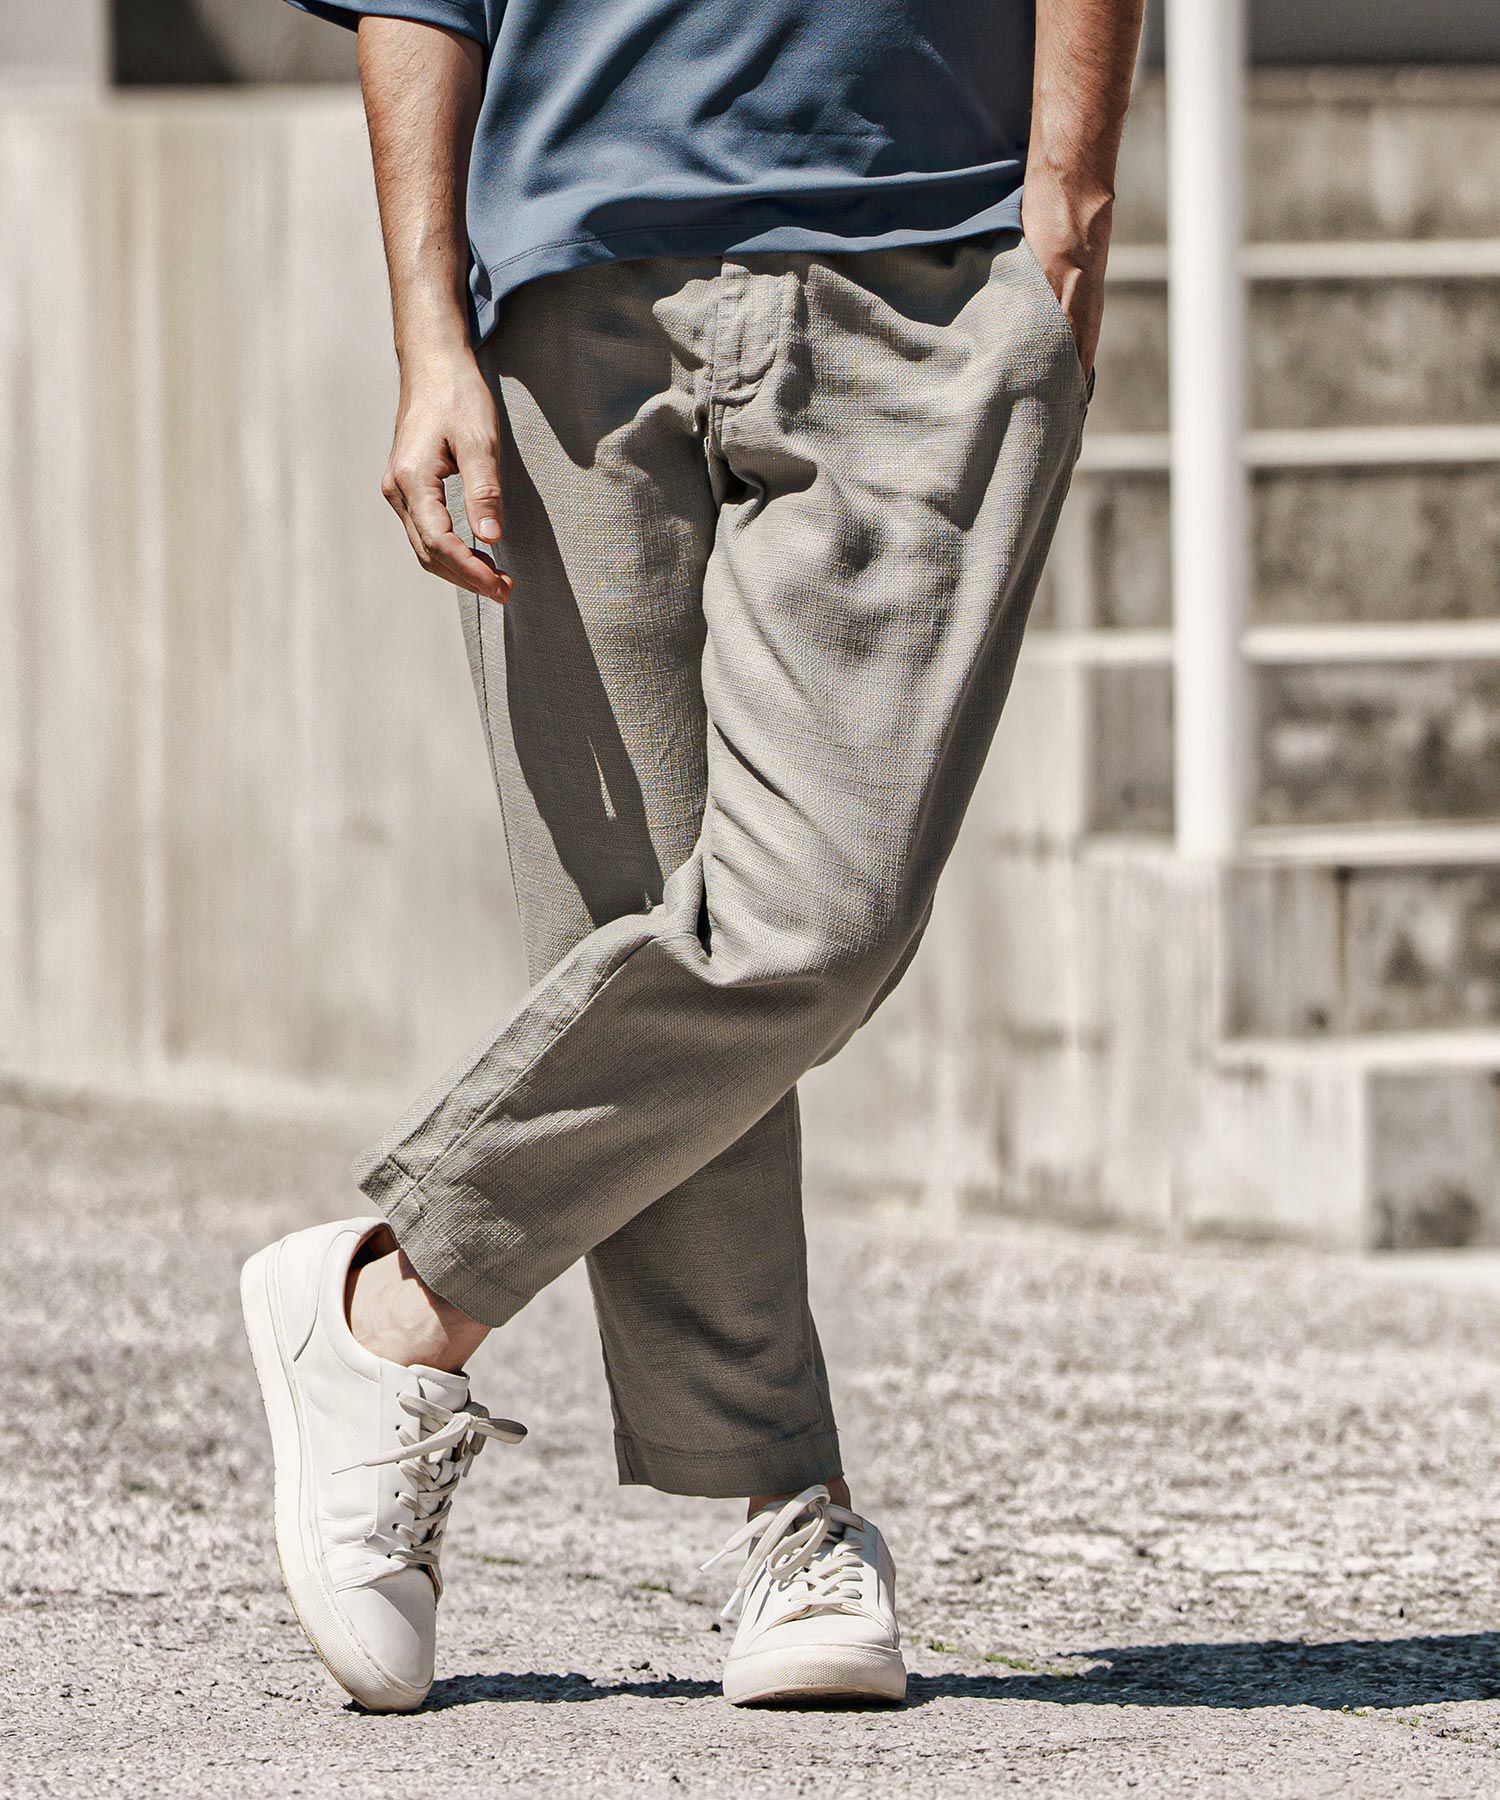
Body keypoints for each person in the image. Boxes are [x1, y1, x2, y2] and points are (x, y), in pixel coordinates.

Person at [242, 0, 1143, 1712]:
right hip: (569, 280)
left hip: (928, 258)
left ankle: (396, 1305)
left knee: (821, 918)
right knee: (623, 921)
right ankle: (787, 1513)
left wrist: (1071, 202)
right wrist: (427, 333)